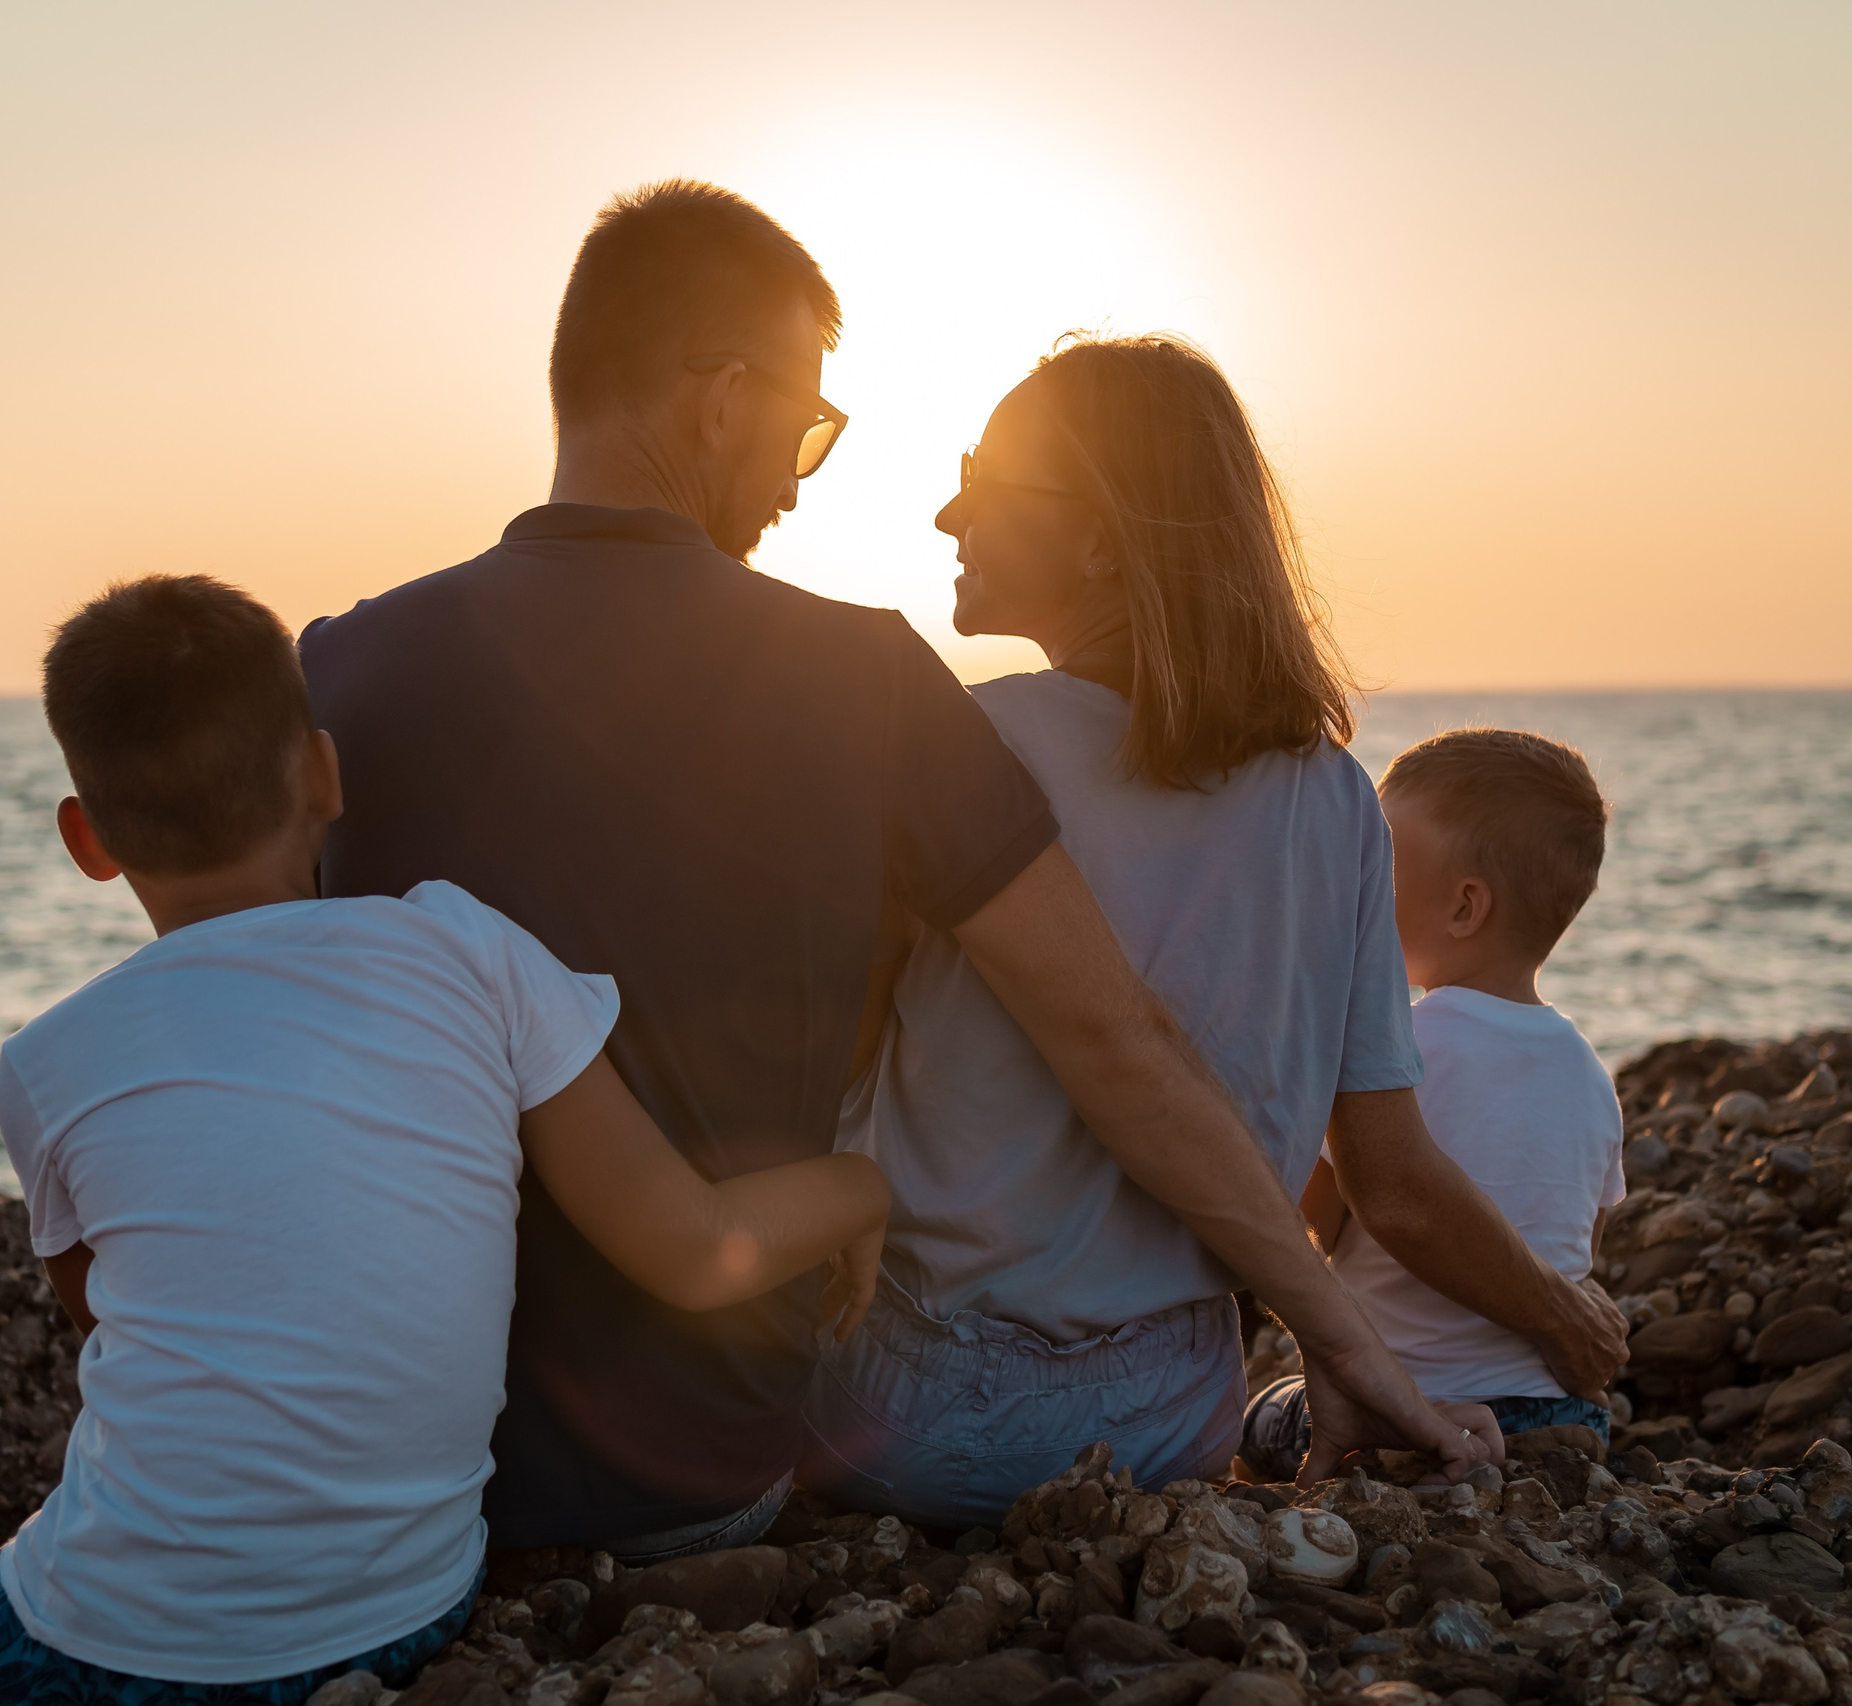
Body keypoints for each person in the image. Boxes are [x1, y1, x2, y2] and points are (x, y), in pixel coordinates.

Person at [301, 181, 1493, 1560]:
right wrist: (1339, 1334)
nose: (802, 475)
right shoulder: (866, 682)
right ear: (723, 401)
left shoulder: (335, 668)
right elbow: (1110, 1037)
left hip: (392, 1463)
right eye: (808, 425)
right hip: (703, 1474)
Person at [0, 575, 890, 1705]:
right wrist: (859, 1185)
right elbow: (693, 1247)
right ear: (324, 774)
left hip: (116, 1633)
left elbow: (114, 1325)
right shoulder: (470, 953)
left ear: (85, 840)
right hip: (405, 1608)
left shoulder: (47, 1061)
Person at [797, 336, 1626, 1527]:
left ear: (1100, 538)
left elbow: (812, 1067)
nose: (946, 513)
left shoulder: (965, 748)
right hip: (1177, 1408)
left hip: (921, 1409)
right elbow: (1388, 1173)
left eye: (982, 477)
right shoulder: (1335, 798)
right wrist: (1550, 1313)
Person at [1246, 727, 1625, 1477]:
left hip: (1407, 1406)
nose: (1356, 882)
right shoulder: (1590, 1073)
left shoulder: (1394, 1048)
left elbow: (1310, 1225)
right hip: (1562, 1414)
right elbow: (1577, 1250)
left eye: (1379, 865)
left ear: (1465, 908)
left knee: (1251, 1415)